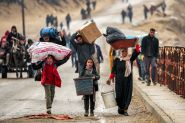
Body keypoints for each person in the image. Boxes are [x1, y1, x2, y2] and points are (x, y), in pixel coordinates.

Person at [107, 45, 140, 116]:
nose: (124, 52)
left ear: (127, 52)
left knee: (127, 94)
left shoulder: (130, 59)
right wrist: (110, 79)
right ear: (120, 52)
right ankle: (120, 107)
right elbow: (113, 71)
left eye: (125, 51)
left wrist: (136, 43)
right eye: (123, 51)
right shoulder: (117, 60)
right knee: (118, 95)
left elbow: (137, 52)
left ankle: (125, 109)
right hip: (119, 80)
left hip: (127, 81)